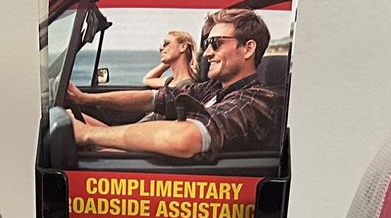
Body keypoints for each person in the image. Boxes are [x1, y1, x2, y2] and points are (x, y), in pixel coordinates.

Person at [69, 9, 283, 160]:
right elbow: (153, 98)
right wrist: (86, 99)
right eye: (207, 44)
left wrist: (87, 134)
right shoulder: (212, 89)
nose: (207, 53)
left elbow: (185, 138)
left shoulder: (257, 101)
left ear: (248, 48)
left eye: (216, 44)